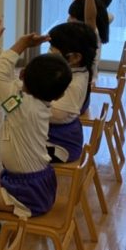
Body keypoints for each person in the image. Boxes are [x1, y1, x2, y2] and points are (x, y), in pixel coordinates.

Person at [0, 19, 73, 250]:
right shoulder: (31, 101)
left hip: (26, 191)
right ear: (59, 94)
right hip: (31, 183)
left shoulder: (21, 106)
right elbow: (3, 75)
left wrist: (21, 44)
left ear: (24, 75)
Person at [46, 20, 100, 163]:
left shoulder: (74, 83)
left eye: (53, 49)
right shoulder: (77, 70)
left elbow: (58, 114)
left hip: (60, 147)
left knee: (17, 149)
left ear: (75, 57)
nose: (49, 52)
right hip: (63, 139)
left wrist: (28, 103)